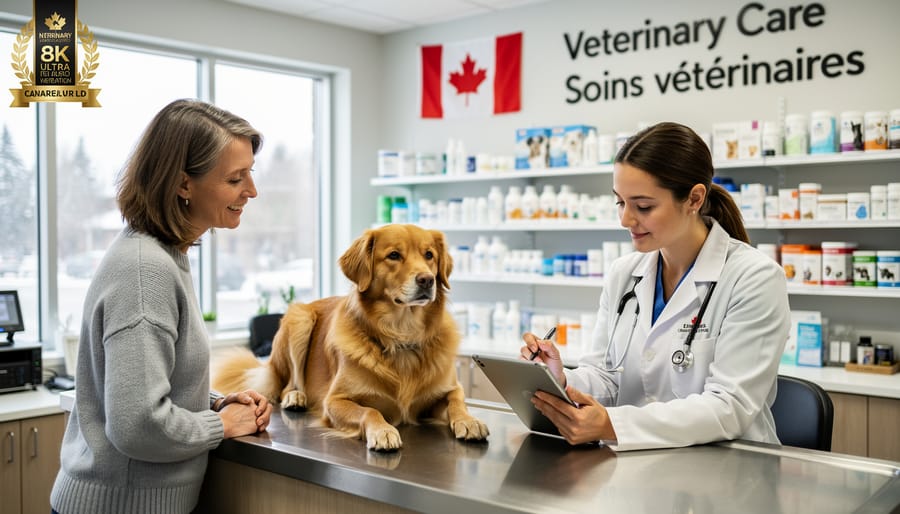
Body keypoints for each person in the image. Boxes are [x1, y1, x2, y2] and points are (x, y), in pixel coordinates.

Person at [51, 99, 273, 514]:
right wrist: (221, 424)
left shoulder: (162, 256)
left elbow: (149, 384)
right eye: (235, 178)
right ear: (183, 184)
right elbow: (137, 426)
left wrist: (213, 403)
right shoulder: (144, 270)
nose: (251, 191)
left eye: (250, 174)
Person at [521, 121, 790, 451]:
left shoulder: (754, 278)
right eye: (620, 202)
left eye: (643, 206)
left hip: (729, 470)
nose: (625, 220)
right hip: (640, 466)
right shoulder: (624, 273)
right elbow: (606, 375)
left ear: (693, 199)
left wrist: (611, 424)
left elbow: (729, 407)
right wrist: (561, 380)